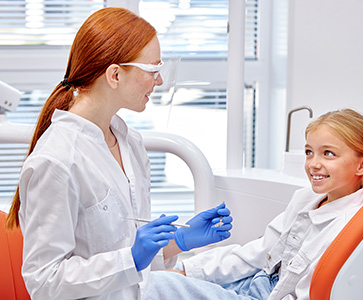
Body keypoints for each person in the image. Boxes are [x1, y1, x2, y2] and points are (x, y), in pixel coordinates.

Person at [5, 7, 232, 300]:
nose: (159, 81)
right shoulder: (57, 160)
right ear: (115, 75)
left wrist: (178, 240)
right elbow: (45, 282)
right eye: (152, 70)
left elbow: (123, 252)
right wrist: (132, 259)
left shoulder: (130, 143)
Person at [143, 108, 363, 300]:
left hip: (272, 295)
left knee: (157, 286)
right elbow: (259, 253)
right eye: (309, 152)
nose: (313, 164)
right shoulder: (304, 198)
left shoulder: (350, 228)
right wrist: (187, 270)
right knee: (153, 280)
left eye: (328, 154)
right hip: (258, 282)